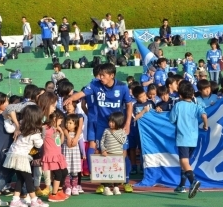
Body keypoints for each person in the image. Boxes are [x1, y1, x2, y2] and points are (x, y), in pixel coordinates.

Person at [63, 63, 133, 193]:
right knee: (102, 153)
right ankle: (104, 182)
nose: (100, 77)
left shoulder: (122, 87)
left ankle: (125, 180)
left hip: (117, 125)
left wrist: (127, 124)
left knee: (123, 152)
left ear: (112, 75)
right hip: (101, 125)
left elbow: (129, 105)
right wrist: (71, 98)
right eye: (100, 75)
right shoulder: (95, 84)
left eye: (103, 75)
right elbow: (82, 94)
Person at [2, 105, 49, 207]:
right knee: (28, 178)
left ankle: (15, 200)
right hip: (22, 157)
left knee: (20, 178)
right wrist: (43, 133)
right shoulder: (35, 132)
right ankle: (34, 200)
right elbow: (39, 145)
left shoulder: (21, 124)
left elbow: (10, 126)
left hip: (13, 154)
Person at [170, 82, 207, 198]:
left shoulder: (178, 105)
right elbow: (204, 115)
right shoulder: (196, 106)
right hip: (193, 139)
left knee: (184, 161)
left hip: (183, 138)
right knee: (185, 162)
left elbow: (172, 119)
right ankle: (181, 185)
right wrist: (206, 125)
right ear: (192, 95)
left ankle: (193, 181)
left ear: (180, 95)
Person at [41, 108, 69, 202]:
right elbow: (41, 137)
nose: (61, 122)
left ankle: (59, 191)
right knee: (58, 174)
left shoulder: (56, 129)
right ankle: (53, 194)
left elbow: (59, 142)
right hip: (51, 155)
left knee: (64, 172)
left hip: (58, 155)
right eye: (60, 119)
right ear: (54, 118)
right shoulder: (46, 128)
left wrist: (61, 133)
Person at [100, 112, 127, 195]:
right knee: (107, 171)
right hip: (108, 155)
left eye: (113, 122)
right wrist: (103, 150)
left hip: (117, 156)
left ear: (119, 122)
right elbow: (102, 142)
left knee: (117, 171)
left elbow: (122, 141)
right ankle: (107, 188)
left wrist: (114, 132)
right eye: (110, 122)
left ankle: (116, 187)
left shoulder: (122, 131)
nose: (110, 124)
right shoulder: (106, 130)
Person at [130, 86, 155, 174]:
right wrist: (143, 111)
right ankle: (134, 166)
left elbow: (156, 114)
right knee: (134, 148)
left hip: (148, 131)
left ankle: (144, 166)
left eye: (144, 95)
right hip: (136, 130)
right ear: (136, 98)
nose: (144, 98)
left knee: (145, 148)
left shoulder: (151, 102)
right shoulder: (134, 105)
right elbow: (133, 118)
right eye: (141, 97)